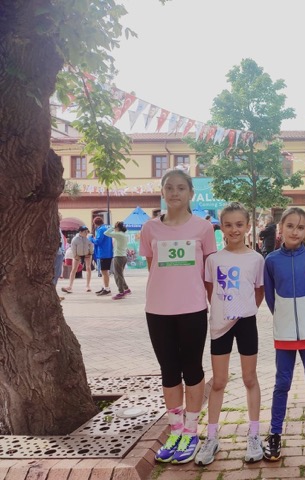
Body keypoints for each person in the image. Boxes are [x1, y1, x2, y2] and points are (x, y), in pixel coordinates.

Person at [139, 168, 216, 465]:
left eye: (181, 187)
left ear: (191, 193)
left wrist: (212, 304)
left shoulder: (203, 228)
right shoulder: (150, 228)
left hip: (193, 309)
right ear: (162, 192)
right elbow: (152, 266)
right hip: (158, 310)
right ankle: (176, 431)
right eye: (169, 187)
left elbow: (208, 272)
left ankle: (192, 431)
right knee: (169, 371)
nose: (174, 193)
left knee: (192, 369)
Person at [195, 202, 264, 466]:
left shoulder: (256, 259)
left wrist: (243, 310)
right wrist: (225, 312)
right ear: (221, 228)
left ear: (247, 226)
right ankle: (211, 437)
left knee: (249, 378)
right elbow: (210, 290)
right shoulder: (213, 260)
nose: (234, 230)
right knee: (219, 381)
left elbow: (258, 291)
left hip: (246, 323)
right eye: (228, 225)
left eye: (239, 224)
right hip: (220, 326)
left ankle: (254, 435)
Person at [262, 207, 305, 463]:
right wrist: (286, 318)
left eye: (300, 227)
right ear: (281, 228)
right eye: (290, 226)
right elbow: (270, 298)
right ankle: (275, 433)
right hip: (285, 334)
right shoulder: (271, 261)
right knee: (282, 384)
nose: (295, 231)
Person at [61, 226, 94, 293]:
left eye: (87, 231)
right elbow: (73, 248)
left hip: (87, 254)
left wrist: (90, 253)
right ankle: (70, 286)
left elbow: (91, 246)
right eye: (85, 232)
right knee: (74, 269)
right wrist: (75, 256)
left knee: (88, 268)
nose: (86, 233)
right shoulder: (75, 239)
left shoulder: (88, 238)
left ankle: (88, 285)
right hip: (78, 254)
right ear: (80, 232)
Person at [105, 221, 131, 300]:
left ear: (117, 227)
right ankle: (126, 289)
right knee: (120, 274)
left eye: (115, 227)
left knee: (117, 275)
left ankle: (121, 292)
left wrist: (113, 227)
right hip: (123, 256)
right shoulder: (124, 234)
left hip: (118, 257)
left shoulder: (119, 234)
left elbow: (106, 233)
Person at [91, 216, 114, 296]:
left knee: (104, 272)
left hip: (103, 253)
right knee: (104, 271)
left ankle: (107, 289)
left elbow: (98, 241)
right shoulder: (106, 228)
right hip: (107, 252)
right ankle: (105, 287)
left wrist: (91, 239)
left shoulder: (100, 230)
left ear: (95, 223)